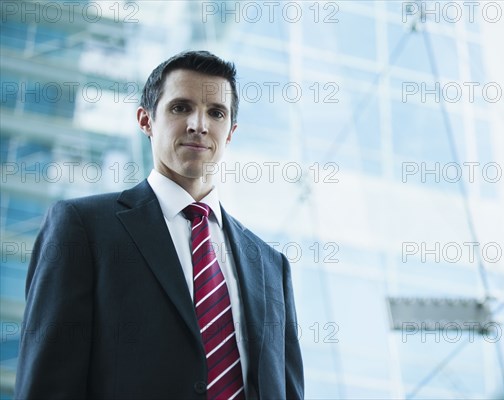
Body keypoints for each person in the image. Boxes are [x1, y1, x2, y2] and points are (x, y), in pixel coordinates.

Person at [15, 50, 304, 399]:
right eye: (181, 107)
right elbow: (47, 383)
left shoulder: (271, 267)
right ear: (145, 120)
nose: (199, 124)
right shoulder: (83, 228)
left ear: (230, 132)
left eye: (216, 113)